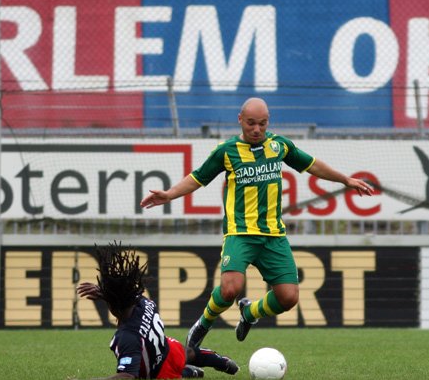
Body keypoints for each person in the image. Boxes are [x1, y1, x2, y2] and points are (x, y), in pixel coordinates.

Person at [140, 97, 374, 348]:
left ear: (268, 122)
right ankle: (203, 323)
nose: (256, 129)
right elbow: (198, 178)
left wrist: (345, 180)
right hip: (240, 233)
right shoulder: (226, 151)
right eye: (251, 123)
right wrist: (169, 194)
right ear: (240, 120)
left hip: (273, 235)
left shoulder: (279, 146)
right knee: (230, 289)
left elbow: (312, 165)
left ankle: (250, 313)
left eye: (262, 124)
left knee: (288, 297)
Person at [75, 241, 239, 380]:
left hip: (158, 371)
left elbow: (127, 376)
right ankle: (222, 362)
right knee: (188, 352)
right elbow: (124, 296)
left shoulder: (126, 336)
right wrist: (106, 294)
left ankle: (189, 372)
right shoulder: (143, 302)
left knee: (171, 373)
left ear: (115, 307)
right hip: (168, 349)